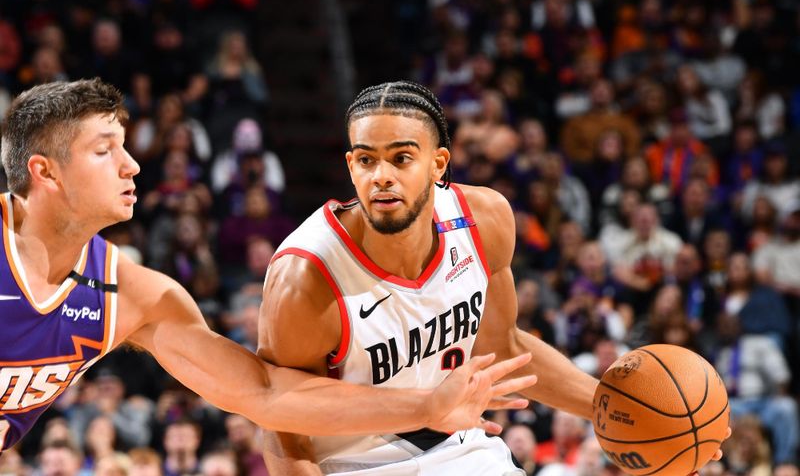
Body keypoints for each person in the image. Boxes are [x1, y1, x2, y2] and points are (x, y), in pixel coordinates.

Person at [0, 79, 536, 454]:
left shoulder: (136, 297)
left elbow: (266, 395)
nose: (132, 164)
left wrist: (427, 406)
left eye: (125, 146)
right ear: (45, 172)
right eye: (104, 150)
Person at [260, 81, 687, 475]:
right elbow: (281, 424)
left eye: (401, 158)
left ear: (438, 164)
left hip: (464, 448)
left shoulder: (483, 220)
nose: (382, 176)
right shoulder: (306, 276)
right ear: (351, 166)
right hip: (355, 462)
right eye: (367, 160)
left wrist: (621, 413)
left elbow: (502, 347)